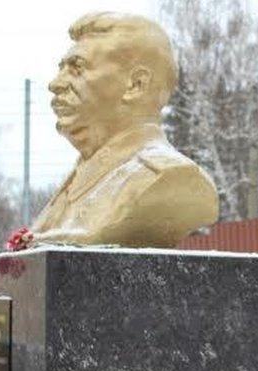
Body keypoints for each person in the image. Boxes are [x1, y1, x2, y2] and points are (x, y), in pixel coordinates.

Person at [32, 12, 218, 248]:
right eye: (62, 69)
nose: (55, 84)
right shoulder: (74, 182)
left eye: (77, 68)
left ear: (136, 85)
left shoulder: (169, 176)